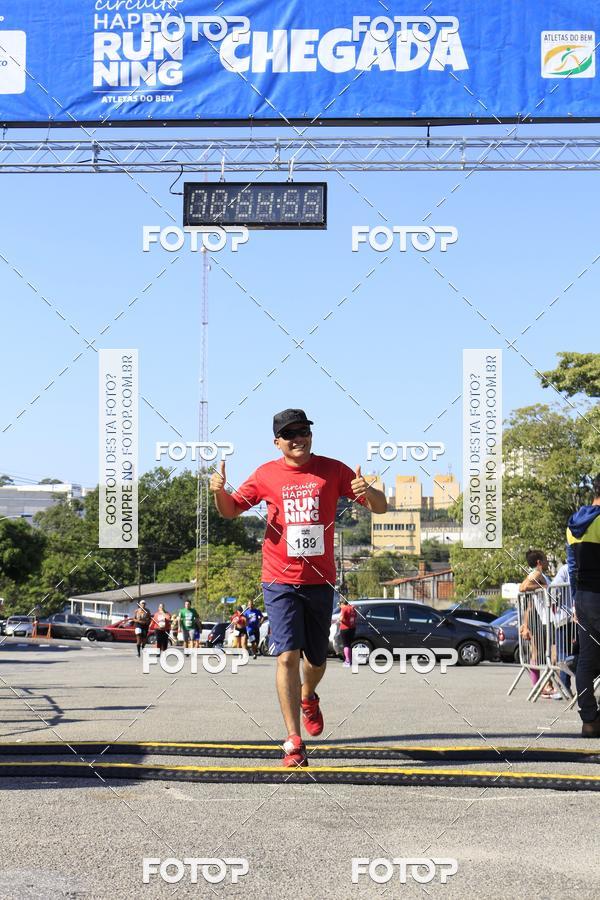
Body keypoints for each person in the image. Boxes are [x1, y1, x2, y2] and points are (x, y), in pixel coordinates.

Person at [209, 408, 387, 767]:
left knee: (316, 660)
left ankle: (308, 695)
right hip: (278, 579)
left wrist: (369, 490)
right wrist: (218, 491)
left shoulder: (333, 470)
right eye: (289, 434)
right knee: (287, 655)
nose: (298, 439)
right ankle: (293, 740)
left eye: (303, 431)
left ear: (311, 435)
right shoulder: (265, 474)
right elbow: (230, 510)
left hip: (319, 580)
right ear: (277, 442)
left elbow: (381, 508)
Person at [567, 475, 600, 737]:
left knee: (586, 661)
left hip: (584, 597)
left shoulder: (574, 524)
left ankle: (589, 720)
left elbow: (572, 567)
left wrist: (575, 601)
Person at [339, 598, 357, 667]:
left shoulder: (344, 609)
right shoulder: (352, 608)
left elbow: (341, 619)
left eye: (340, 605)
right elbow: (355, 617)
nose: (340, 607)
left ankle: (347, 661)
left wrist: (339, 620)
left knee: (345, 645)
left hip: (345, 628)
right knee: (349, 645)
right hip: (352, 628)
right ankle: (350, 660)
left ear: (342, 604)